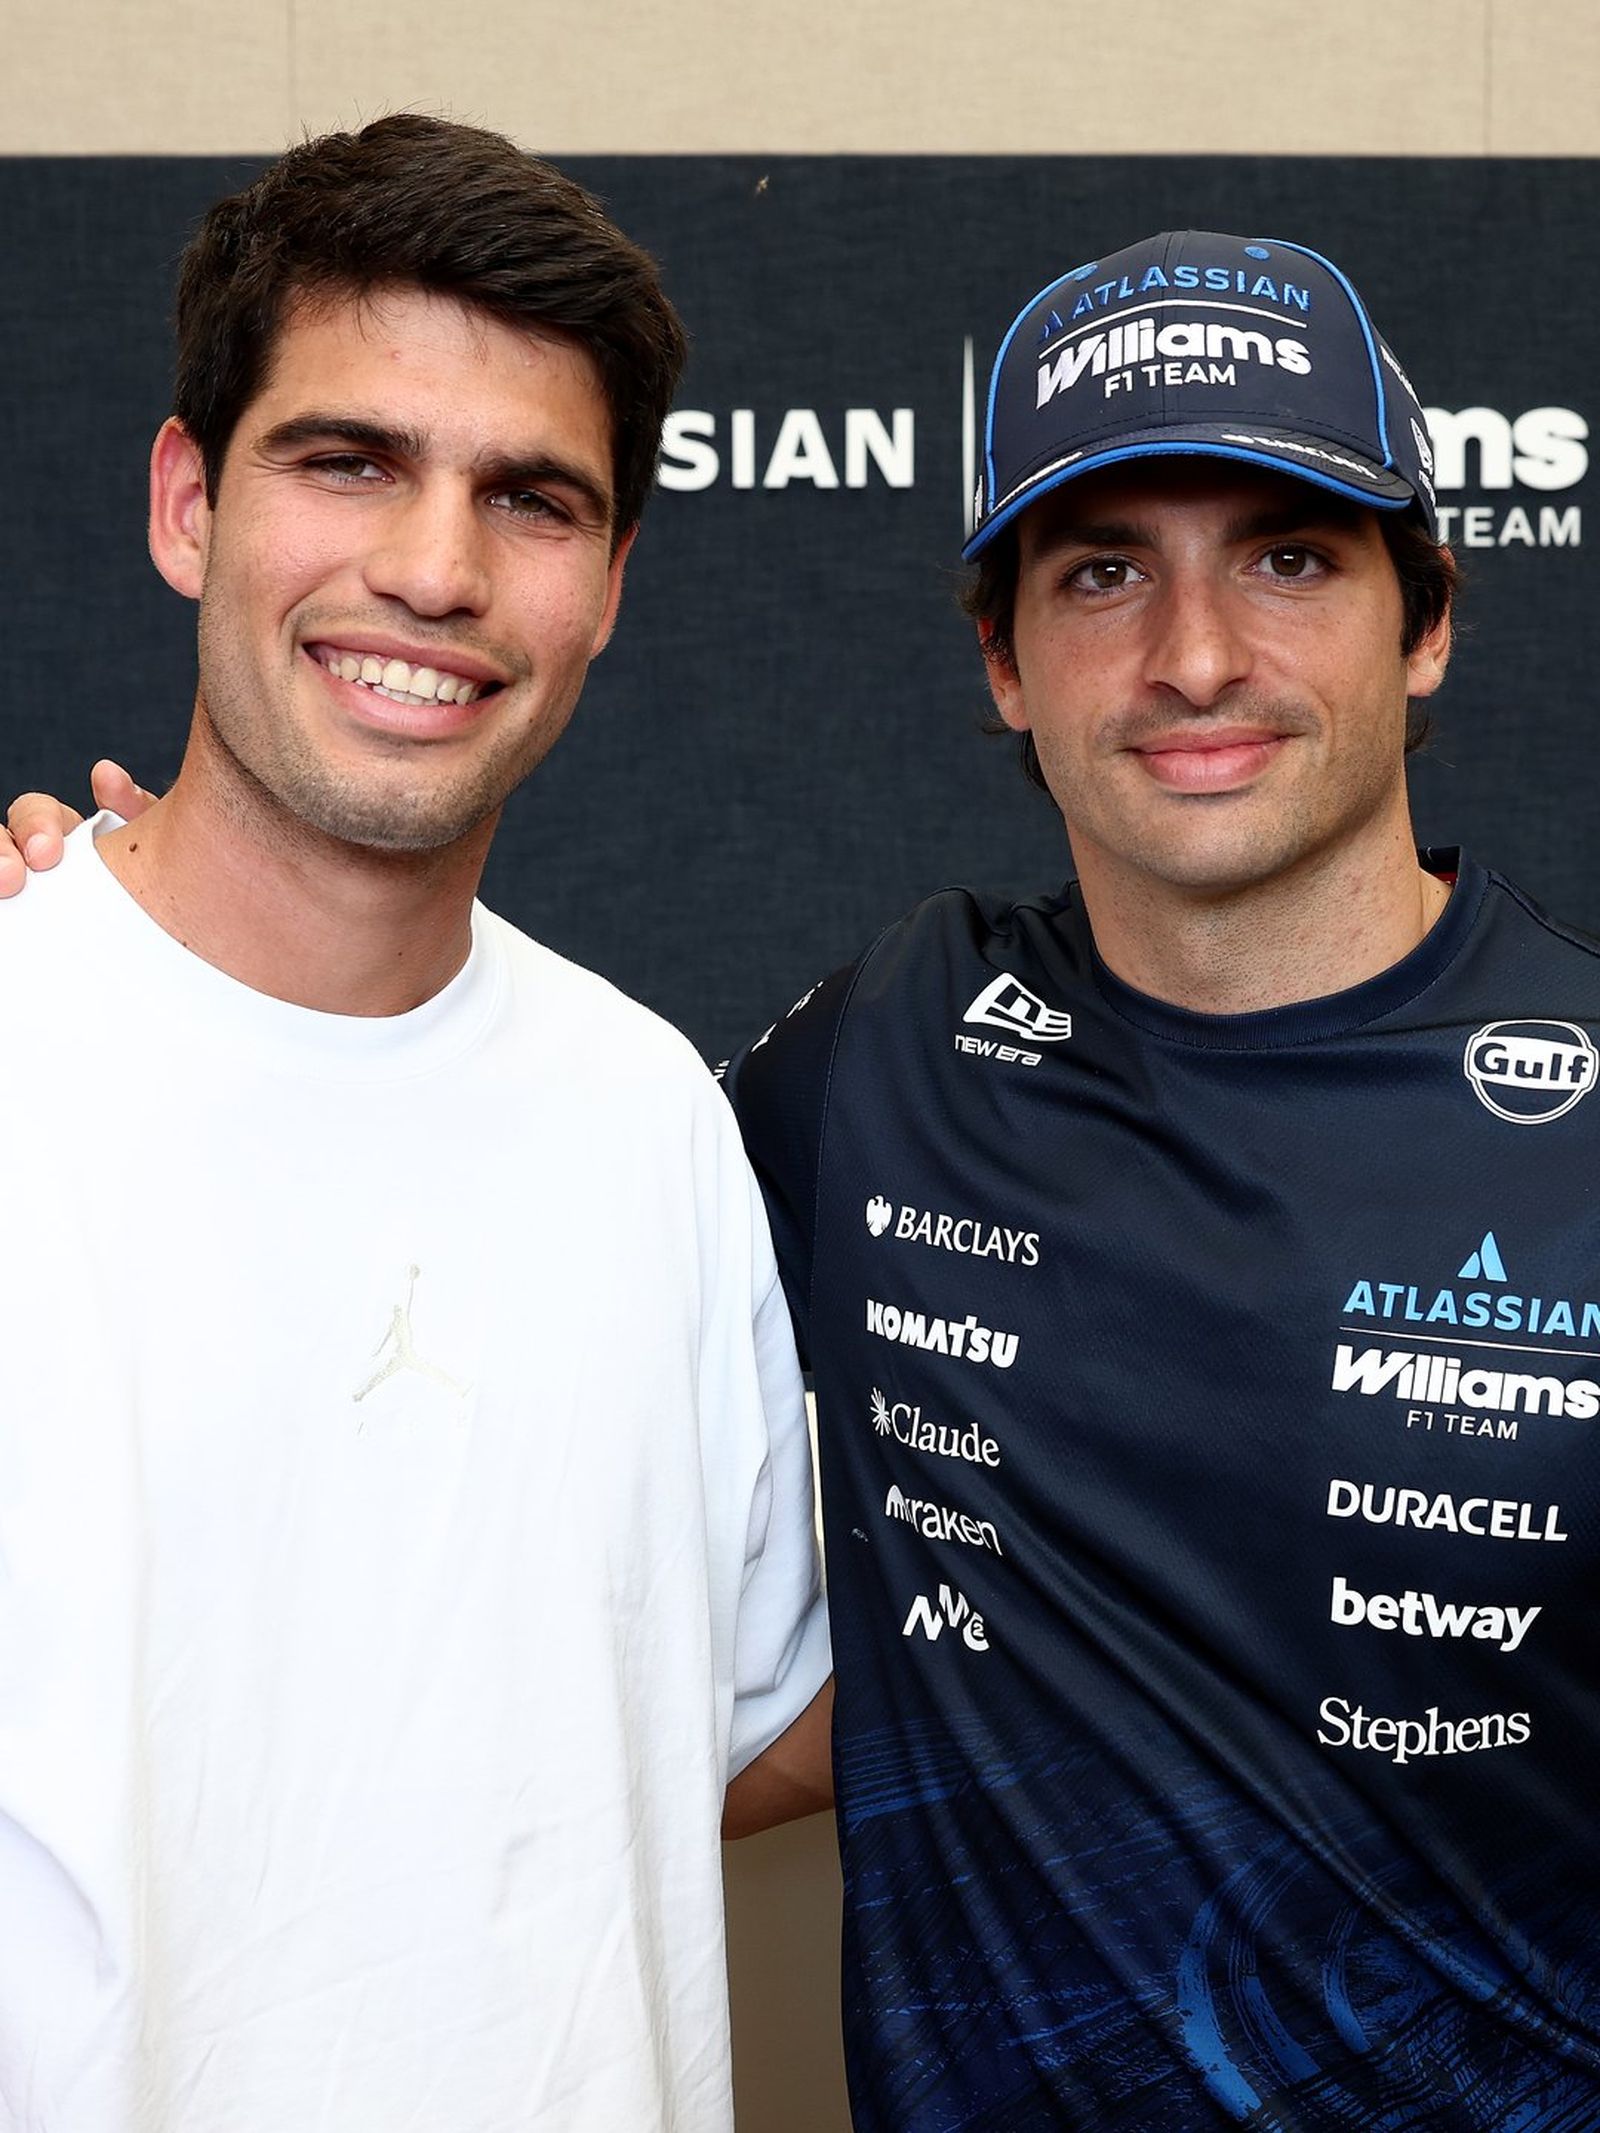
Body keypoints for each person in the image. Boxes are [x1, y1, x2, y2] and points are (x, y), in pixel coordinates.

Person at [18, 229, 1600, 2129]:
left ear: (1428, 621)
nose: (1196, 656)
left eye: (1289, 558)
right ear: (1003, 661)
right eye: (1103, 572)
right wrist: (96, 934)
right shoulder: (864, 1060)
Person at [0, 114, 831, 2132]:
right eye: (349, 459)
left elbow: (728, 1714)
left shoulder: (648, 1113)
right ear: (188, 502)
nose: (436, 570)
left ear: (608, 584)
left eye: (529, 498)